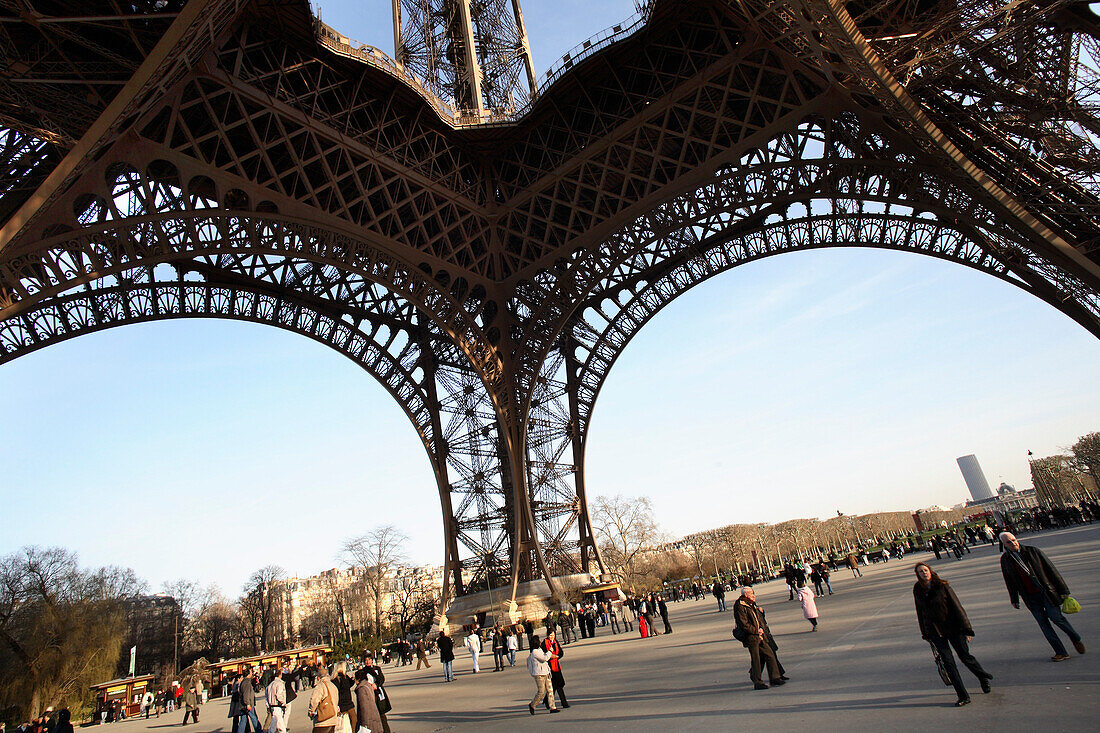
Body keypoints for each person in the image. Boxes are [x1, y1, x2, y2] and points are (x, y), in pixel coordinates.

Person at [913, 562, 992, 706]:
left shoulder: (942, 586)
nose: (924, 573)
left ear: (930, 571)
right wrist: (924, 632)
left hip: (953, 628)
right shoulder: (918, 589)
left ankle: (982, 677)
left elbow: (957, 607)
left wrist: (967, 629)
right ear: (917, 575)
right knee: (949, 664)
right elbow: (920, 612)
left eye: (925, 570)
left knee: (965, 657)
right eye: (920, 572)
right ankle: (962, 695)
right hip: (935, 631)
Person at [998, 531, 1085, 661]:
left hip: (1046, 592)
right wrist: (1014, 599)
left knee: (1056, 618)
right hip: (1030, 596)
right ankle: (1061, 652)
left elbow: (1051, 570)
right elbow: (1009, 580)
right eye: (1009, 542)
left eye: (1014, 540)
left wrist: (1064, 590)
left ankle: (1075, 637)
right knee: (1044, 625)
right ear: (1004, 544)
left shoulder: (1033, 551)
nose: (1013, 543)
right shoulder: (1005, 560)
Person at [733, 587, 787, 690]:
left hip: (760, 635)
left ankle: (775, 677)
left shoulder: (751, 604)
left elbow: (758, 619)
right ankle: (757, 682)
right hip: (751, 637)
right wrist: (755, 630)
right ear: (745, 595)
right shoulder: (740, 606)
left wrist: (761, 614)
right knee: (756, 659)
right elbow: (743, 623)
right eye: (751, 594)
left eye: (753, 594)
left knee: (770, 654)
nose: (754, 596)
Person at [525, 635, 560, 715]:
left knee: (550, 690)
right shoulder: (535, 652)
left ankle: (552, 707)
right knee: (541, 691)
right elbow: (544, 658)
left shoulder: (539, 650)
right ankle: (533, 704)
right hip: (539, 674)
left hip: (546, 672)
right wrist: (550, 651)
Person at [360, 652, 392, 733]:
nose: (367, 662)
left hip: (378, 694)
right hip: (369, 695)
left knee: (382, 716)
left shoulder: (377, 669)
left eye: (369, 660)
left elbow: (381, 679)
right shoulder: (362, 671)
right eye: (366, 660)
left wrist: (376, 685)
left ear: (372, 660)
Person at [540, 630, 570, 709]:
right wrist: (550, 657)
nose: (552, 637)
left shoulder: (555, 642)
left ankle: (547, 700)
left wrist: (557, 656)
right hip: (550, 667)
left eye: (553, 635)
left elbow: (560, 652)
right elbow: (543, 656)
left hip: (557, 666)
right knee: (557, 685)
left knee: (559, 684)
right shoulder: (544, 643)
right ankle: (563, 703)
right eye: (550, 635)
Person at [307, 667, 340, 733]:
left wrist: (311, 712)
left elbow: (314, 701)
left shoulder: (320, 686)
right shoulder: (333, 685)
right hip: (333, 718)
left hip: (323, 720)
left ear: (318, 677)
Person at [353, 669, 384, 733]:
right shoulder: (367, 685)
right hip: (374, 717)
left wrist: (364, 724)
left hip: (369, 721)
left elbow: (364, 707)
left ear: (358, 679)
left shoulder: (361, 689)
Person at [330, 662, 356, 733]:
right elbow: (346, 686)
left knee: (344, 725)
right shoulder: (342, 678)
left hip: (342, 704)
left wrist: (352, 680)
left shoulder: (336, 679)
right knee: (352, 722)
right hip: (346, 703)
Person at [235, 668, 262, 733]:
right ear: (248, 674)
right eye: (250, 672)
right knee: (254, 718)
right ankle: (258, 731)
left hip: (242, 705)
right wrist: (247, 704)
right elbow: (246, 694)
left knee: (243, 721)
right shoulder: (247, 683)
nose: (251, 674)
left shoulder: (243, 682)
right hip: (247, 704)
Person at [265, 669, 288, 733]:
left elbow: (267, 696)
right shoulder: (279, 684)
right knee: (279, 722)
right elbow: (279, 695)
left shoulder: (270, 684)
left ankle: (271, 731)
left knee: (274, 722)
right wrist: (283, 702)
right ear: (280, 675)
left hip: (271, 705)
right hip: (277, 705)